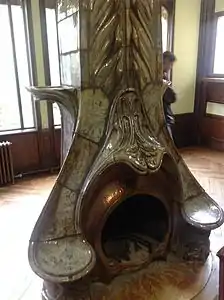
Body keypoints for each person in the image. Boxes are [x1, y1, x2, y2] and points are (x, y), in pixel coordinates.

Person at [162, 51, 177, 139]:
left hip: (164, 113)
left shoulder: (164, 76)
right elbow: (171, 97)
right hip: (162, 114)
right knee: (168, 140)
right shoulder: (160, 77)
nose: (170, 67)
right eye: (170, 64)